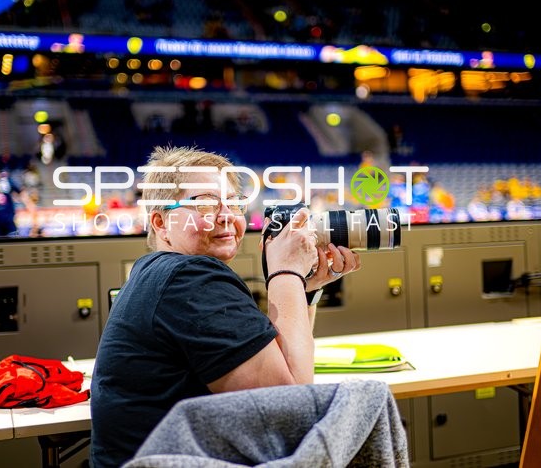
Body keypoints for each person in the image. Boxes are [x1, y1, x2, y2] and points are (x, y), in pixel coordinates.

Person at [90, 146, 361, 467]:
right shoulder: (188, 278)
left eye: (233, 202)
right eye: (204, 203)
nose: (226, 216)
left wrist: (303, 289)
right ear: (160, 223)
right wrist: (285, 272)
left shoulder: (156, 271)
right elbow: (291, 409)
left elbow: (285, 368)